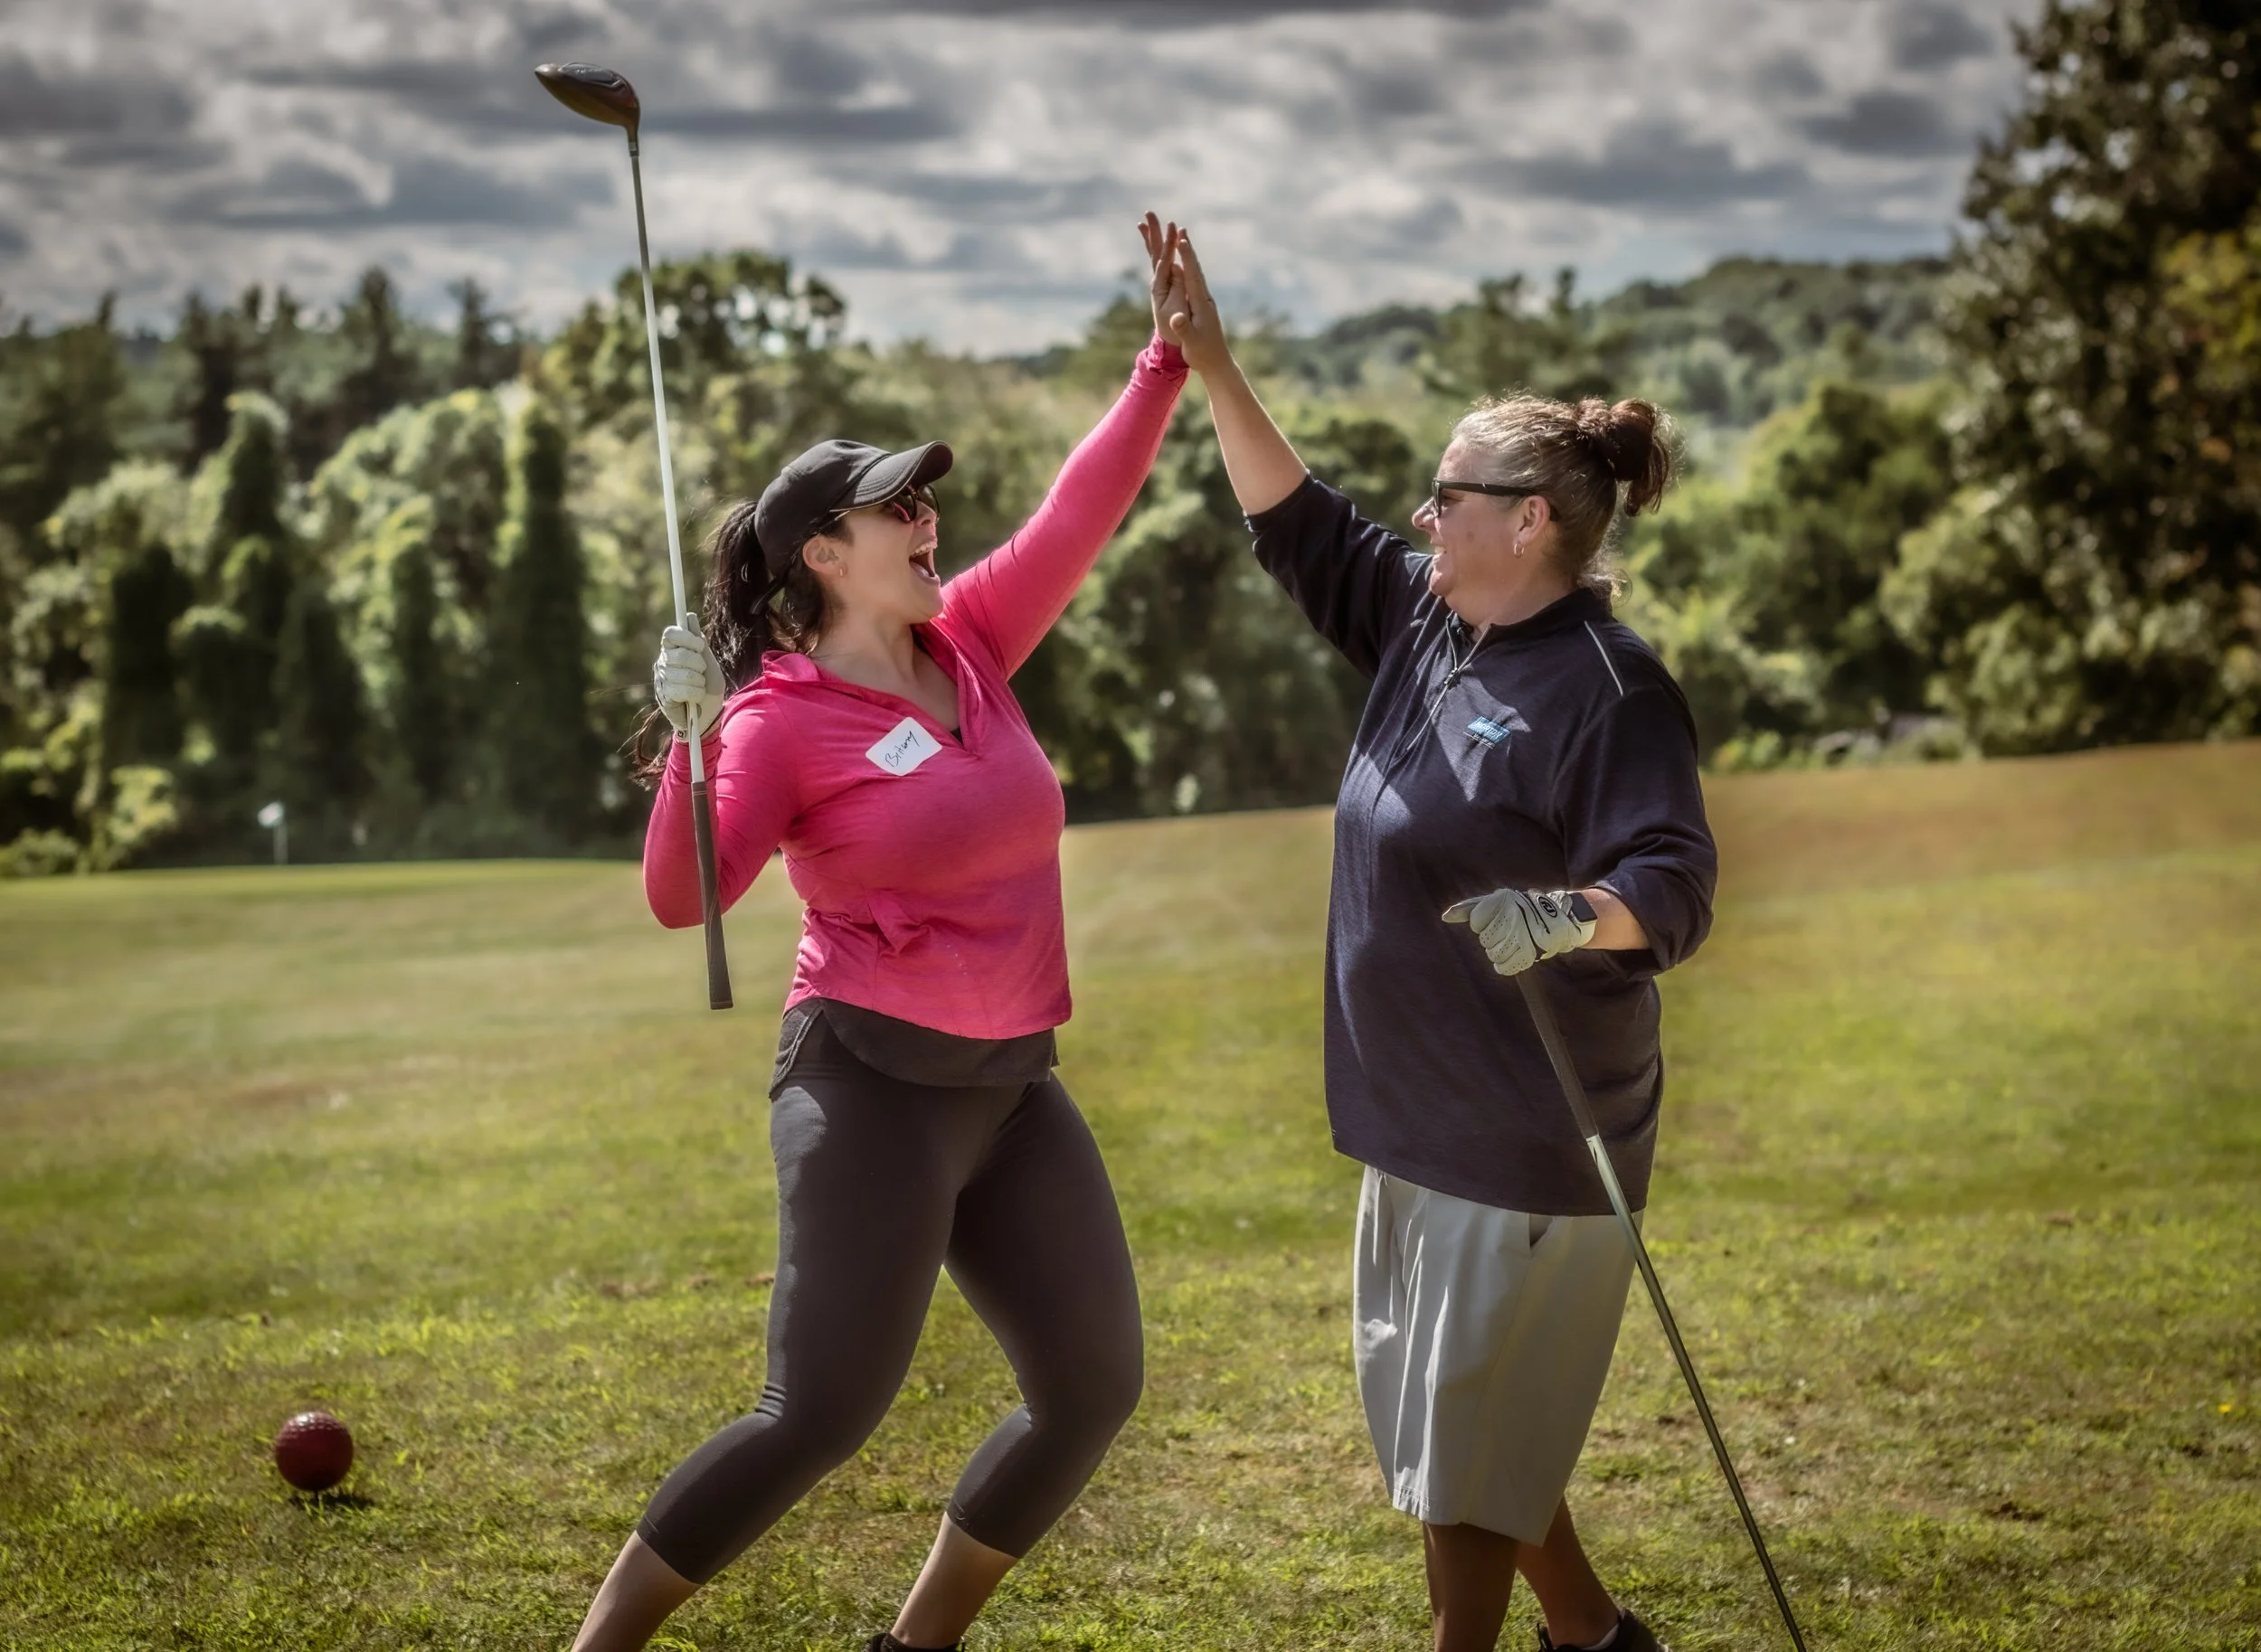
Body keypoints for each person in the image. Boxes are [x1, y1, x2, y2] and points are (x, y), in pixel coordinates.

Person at [567, 223, 1195, 1652]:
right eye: (895, 506)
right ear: (824, 554)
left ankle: (916, 1643)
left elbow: (1079, 511)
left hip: (1013, 1085)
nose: (928, 519)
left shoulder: (971, 643)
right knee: (819, 1414)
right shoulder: (778, 720)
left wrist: (1163, 361)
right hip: (870, 1087)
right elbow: (680, 895)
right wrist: (691, 739)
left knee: (1091, 1386)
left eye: (925, 499)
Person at [1146, 222, 1717, 1652]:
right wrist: (1212, 363)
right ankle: (1597, 1636)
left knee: (1463, 1458)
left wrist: (1562, 914)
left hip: (1528, 1131)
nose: (1423, 514)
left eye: (1449, 495)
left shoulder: (1611, 688)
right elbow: (1299, 521)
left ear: (1530, 520)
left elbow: (1675, 882)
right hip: (1416, 1114)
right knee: (1465, 1426)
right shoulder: (1429, 620)